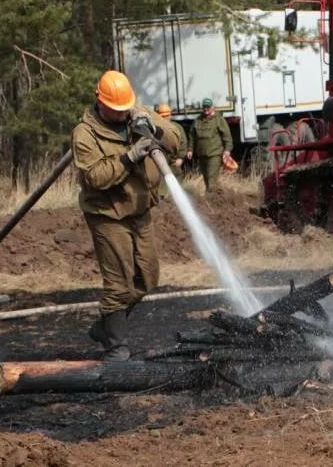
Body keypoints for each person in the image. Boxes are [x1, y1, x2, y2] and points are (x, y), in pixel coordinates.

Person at [71, 70, 180, 360]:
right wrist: (130, 157)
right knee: (119, 284)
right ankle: (116, 348)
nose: (122, 114)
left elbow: (177, 140)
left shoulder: (137, 113)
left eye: (125, 108)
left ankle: (106, 325)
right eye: (116, 110)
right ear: (100, 102)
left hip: (140, 210)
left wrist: (155, 129)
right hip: (108, 214)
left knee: (147, 278)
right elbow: (95, 177)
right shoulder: (85, 134)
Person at [186, 97, 233, 194]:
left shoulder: (219, 120)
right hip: (202, 154)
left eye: (208, 107)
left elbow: (227, 137)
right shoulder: (197, 120)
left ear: (213, 107)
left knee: (211, 179)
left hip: (214, 154)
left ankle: (212, 200)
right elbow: (192, 136)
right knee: (206, 179)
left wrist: (227, 150)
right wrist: (190, 149)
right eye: (204, 107)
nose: (206, 109)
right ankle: (217, 197)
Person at [155, 103, 187, 196]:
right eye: (162, 116)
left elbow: (183, 143)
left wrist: (181, 158)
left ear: (170, 115)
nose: (165, 118)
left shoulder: (177, 127)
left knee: (177, 182)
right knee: (161, 184)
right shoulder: (155, 127)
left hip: (174, 160)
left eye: (166, 116)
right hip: (161, 161)